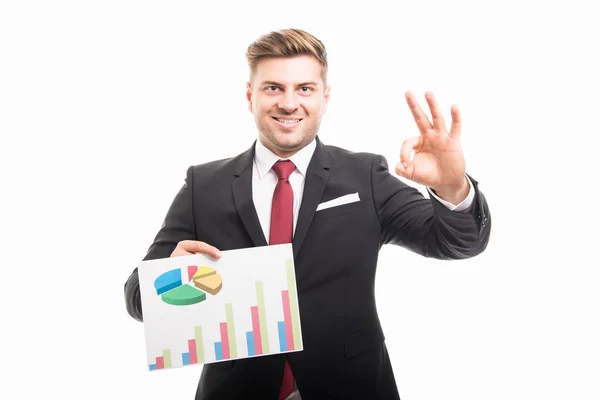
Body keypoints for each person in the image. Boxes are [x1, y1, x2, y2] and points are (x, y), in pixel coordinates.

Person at [124, 28, 491, 400]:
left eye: (304, 88)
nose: (288, 103)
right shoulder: (204, 185)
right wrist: (167, 280)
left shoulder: (364, 176)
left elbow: (458, 243)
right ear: (250, 96)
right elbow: (137, 298)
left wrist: (452, 188)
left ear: (324, 97)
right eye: (272, 88)